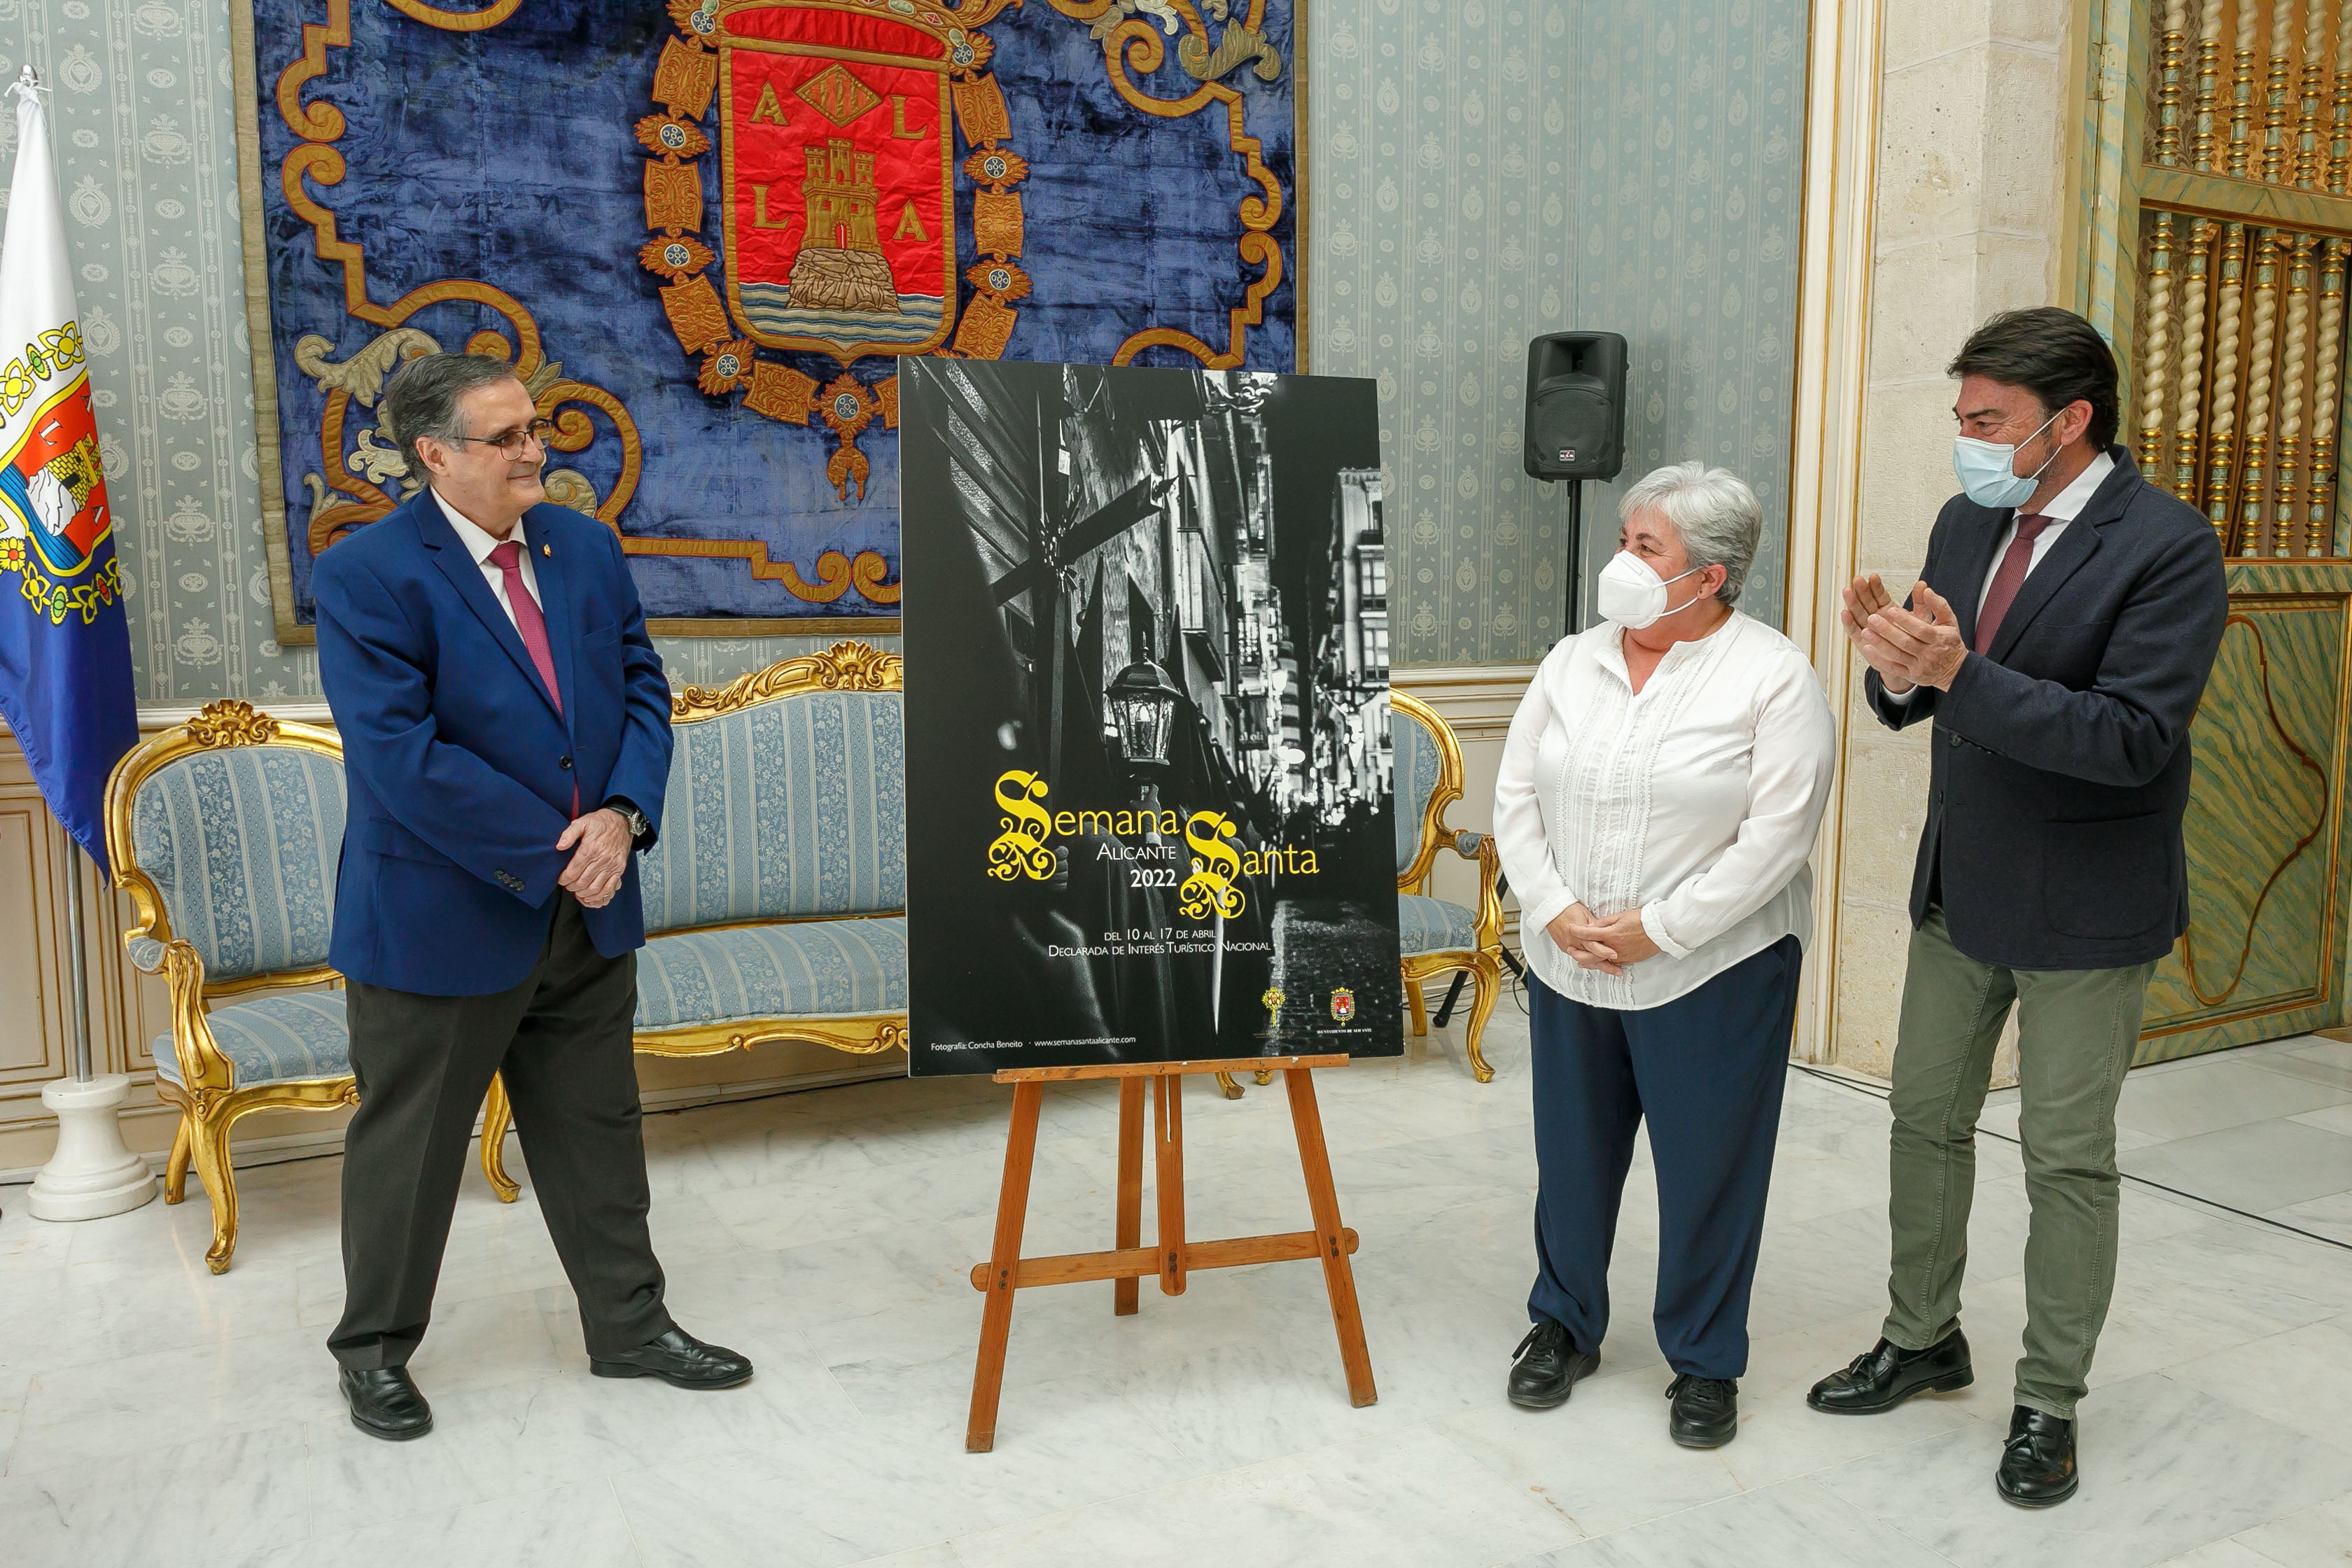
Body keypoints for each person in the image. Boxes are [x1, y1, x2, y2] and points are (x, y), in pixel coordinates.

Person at [1812, 307, 2227, 1506]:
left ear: (2070, 421)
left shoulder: (2168, 546)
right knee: (1922, 1118)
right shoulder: (1967, 516)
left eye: (1988, 421)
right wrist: (1903, 668)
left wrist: (1957, 673)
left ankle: (2049, 1399)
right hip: (1964, 881)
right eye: (1962, 420)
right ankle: (1921, 1336)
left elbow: (2135, 739)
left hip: (2089, 903)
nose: (1969, 441)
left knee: (2064, 1157)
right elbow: (1948, 685)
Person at [312, 352, 751, 1441]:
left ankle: (631, 1328)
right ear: (435, 455)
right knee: (410, 1150)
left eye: (535, 429)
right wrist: (560, 847)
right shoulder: (368, 574)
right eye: (505, 437)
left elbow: (643, 684)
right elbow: (398, 756)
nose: (535, 450)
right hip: (443, 915)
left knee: (598, 1131)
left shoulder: (585, 547)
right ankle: (371, 1355)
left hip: (588, 907)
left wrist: (621, 817)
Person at [1494, 461, 1836, 1448]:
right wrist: (1555, 908)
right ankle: (1562, 1324)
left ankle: (1704, 1361)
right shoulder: (1573, 661)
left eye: (1646, 548)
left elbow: (1780, 836)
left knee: (1709, 1169)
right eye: (1625, 539)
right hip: (1572, 964)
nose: (1622, 562)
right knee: (1571, 1158)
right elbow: (1517, 797)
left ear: (1711, 576)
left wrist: (1663, 928)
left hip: (1713, 971)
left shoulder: (1771, 675)